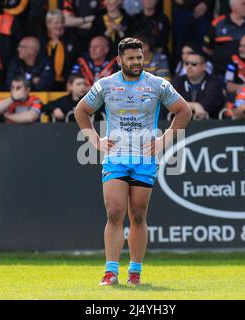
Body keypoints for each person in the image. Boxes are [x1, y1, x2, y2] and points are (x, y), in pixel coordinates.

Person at [74, 38, 192, 286]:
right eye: (131, 58)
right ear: (119, 60)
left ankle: (135, 272)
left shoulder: (157, 84)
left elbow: (184, 111)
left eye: (139, 57)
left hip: (145, 158)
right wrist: (94, 141)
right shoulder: (106, 85)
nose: (137, 62)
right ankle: (110, 272)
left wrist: (165, 140)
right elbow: (81, 111)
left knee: (138, 215)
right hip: (115, 157)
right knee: (115, 212)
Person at [203, 0, 245, 78]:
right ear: (233, 7)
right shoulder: (218, 23)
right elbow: (207, 48)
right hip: (221, 72)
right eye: (244, 4)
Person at [173, 50, 225, 119]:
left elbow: (208, 105)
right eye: (186, 63)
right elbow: (170, 102)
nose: (189, 66)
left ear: (204, 66)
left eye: (194, 64)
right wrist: (195, 106)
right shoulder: (178, 81)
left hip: (210, 125)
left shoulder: (214, 82)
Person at [43, 9, 79, 91]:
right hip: (47, 84)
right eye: (56, 23)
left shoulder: (71, 39)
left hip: (67, 83)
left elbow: (76, 60)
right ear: (48, 24)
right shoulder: (43, 41)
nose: (59, 26)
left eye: (61, 22)